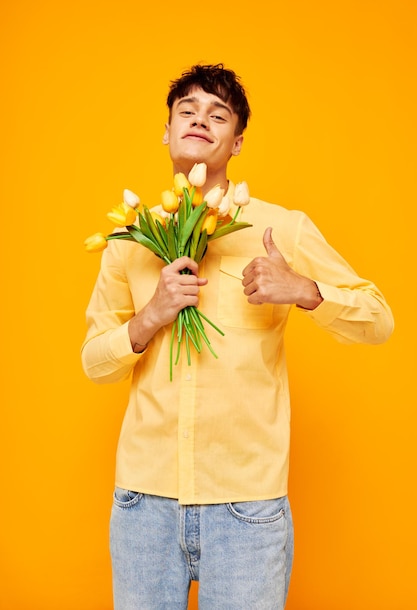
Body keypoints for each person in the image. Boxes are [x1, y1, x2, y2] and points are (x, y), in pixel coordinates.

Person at [81, 63, 394, 610]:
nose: (201, 120)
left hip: (247, 509)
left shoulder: (282, 228)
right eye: (188, 110)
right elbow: (94, 361)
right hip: (144, 504)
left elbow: (378, 320)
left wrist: (303, 288)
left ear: (238, 141)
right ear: (167, 130)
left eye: (217, 114)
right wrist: (150, 315)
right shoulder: (129, 241)